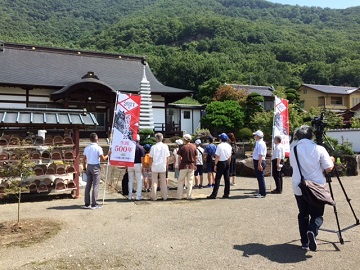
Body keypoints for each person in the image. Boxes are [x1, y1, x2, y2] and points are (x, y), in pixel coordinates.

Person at [289, 125, 334, 251]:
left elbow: (294, 165)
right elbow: (329, 168)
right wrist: (332, 160)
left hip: (299, 186)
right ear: (311, 135)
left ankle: (304, 242)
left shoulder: (294, 149)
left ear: (298, 137)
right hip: (316, 187)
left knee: (303, 214)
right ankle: (312, 230)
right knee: (317, 215)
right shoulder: (319, 148)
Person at [82, 133, 110, 209]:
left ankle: (87, 203)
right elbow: (103, 158)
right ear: (96, 139)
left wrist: (84, 168)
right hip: (95, 166)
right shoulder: (98, 148)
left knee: (88, 185)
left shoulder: (87, 148)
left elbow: (83, 159)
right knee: (95, 185)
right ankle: (94, 204)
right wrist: (108, 155)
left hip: (89, 166)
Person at [207, 133, 232, 199]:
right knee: (227, 178)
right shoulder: (229, 146)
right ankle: (226, 193)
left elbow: (217, 156)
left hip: (221, 162)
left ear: (221, 139)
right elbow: (230, 156)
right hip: (227, 161)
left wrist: (215, 164)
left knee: (217, 178)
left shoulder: (219, 146)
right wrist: (229, 162)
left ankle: (214, 194)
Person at [149, 133, 170, 201]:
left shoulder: (153, 147)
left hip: (155, 165)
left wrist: (150, 166)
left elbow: (151, 158)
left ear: (156, 139)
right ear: (162, 138)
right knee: (163, 182)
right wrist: (167, 165)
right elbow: (167, 157)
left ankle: (154, 197)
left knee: (154, 181)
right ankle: (164, 196)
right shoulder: (165, 146)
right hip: (163, 165)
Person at [176, 134, 198, 200]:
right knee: (190, 181)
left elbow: (179, 157)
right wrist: (195, 164)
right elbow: (196, 157)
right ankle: (189, 195)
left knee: (180, 181)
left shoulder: (182, 147)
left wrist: (179, 164)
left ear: (185, 139)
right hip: (191, 165)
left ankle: (179, 196)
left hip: (183, 165)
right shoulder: (194, 147)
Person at [127, 134, 145, 201]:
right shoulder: (140, 147)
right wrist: (143, 166)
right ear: (139, 140)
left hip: (130, 164)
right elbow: (142, 158)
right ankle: (138, 196)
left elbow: (127, 157)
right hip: (138, 164)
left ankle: (130, 195)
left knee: (130, 180)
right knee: (139, 180)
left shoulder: (129, 147)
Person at [253, 130, 267, 198]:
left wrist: (259, 164)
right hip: (258, 161)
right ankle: (261, 192)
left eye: (255, 135)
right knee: (259, 177)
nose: (254, 136)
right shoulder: (258, 142)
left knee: (260, 177)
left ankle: (263, 193)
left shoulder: (260, 143)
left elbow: (260, 155)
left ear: (258, 136)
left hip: (259, 161)